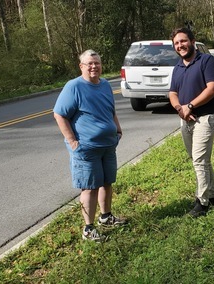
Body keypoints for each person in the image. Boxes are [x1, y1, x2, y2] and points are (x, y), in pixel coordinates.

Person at [53, 49, 126, 242]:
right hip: (86, 148)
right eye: (89, 64)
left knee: (107, 182)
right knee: (90, 187)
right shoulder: (74, 87)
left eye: (97, 63)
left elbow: (111, 110)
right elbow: (59, 114)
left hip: (108, 144)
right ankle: (88, 228)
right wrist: (73, 141)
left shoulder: (105, 85)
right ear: (81, 67)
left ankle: (106, 217)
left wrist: (117, 129)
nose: (94, 66)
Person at [168, 27, 214, 217]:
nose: (180, 46)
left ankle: (202, 202)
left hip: (206, 118)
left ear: (192, 41)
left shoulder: (206, 61)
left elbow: (213, 88)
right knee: (199, 160)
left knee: (199, 160)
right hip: (186, 120)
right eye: (176, 43)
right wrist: (180, 109)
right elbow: (172, 93)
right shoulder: (177, 67)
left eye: (183, 41)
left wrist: (190, 106)